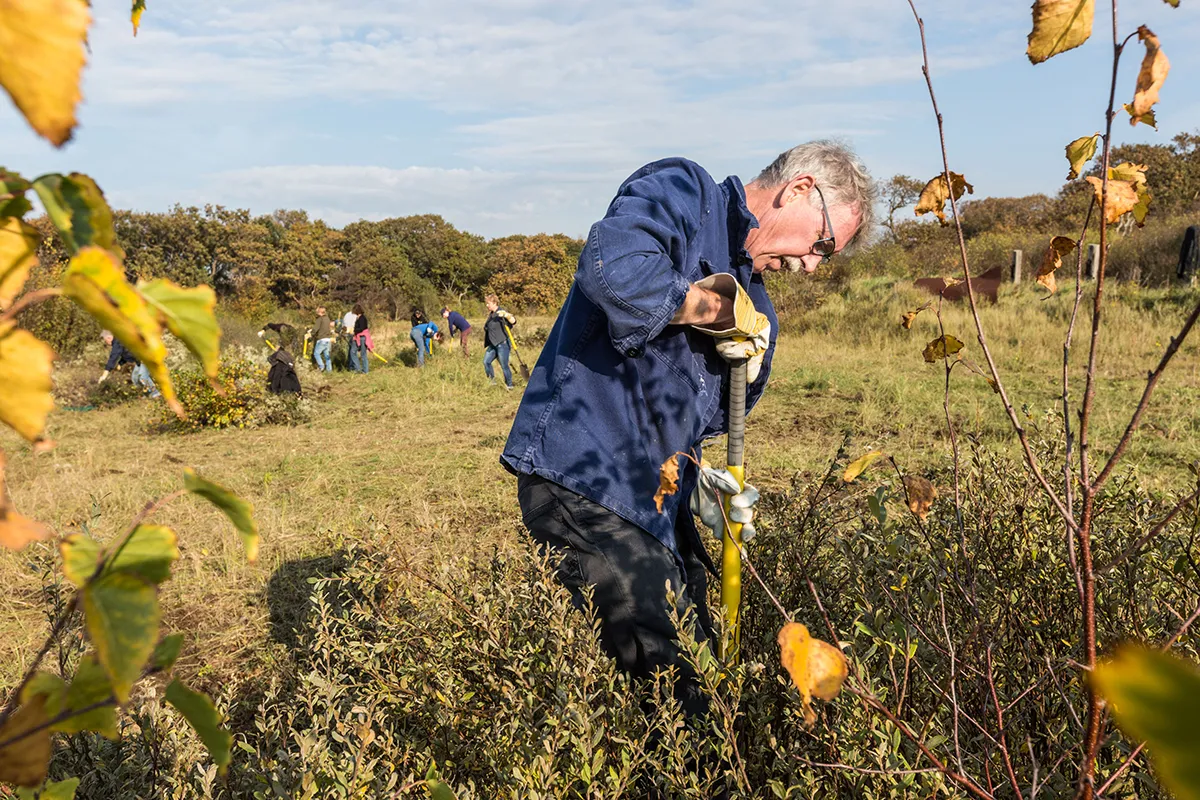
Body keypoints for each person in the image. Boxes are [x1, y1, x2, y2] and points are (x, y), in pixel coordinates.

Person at [500, 142, 875, 712]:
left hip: (659, 505)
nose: (812, 264)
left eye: (828, 257)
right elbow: (617, 270)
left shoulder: (764, 314)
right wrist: (715, 310)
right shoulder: (687, 194)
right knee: (678, 686)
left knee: (704, 663)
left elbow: (711, 420)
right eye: (822, 243)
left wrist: (703, 488)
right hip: (585, 476)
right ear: (799, 188)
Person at [99, 330, 161, 399]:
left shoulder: (118, 342)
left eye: (105, 340)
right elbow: (127, 354)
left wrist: (104, 376)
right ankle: (146, 394)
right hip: (139, 361)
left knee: (143, 377)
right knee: (135, 379)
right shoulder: (120, 340)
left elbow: (113, 358)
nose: (106, 343)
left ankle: (156, 394)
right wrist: (120, 363)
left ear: (109, 338)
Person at [482, 295, 516, 390]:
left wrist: (506, 315)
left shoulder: (501, 312)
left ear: (494, 303)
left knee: (504, 365)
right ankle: (492, 382)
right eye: (487, 303)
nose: (487, 305)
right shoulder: (491, 314)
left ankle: (509, 385)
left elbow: (513, 321)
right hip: (493, 344)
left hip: (502, 343)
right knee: (486, 362)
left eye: (488, 303)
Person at [312, 307, 334, 372]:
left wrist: (310, 333)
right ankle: (329, 370)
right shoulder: (327, 318)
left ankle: (321, 366)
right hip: (328, 339)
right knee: (327, 356)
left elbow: (315, 329)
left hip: (322, 339)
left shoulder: (320, 319)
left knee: (316, 353)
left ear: (320, 312)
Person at [351, 304, 371, 374]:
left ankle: (365, 371)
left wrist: (354, 331)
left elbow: (361, 328)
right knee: (353, 352)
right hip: (358, 337)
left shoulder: (362, 318)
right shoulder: (358, 318)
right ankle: (358, 368)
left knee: (363, 354)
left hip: (362, 338)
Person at [342, 307, 360, 371]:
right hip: (354, 334)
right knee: (353, 351)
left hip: (348, 334)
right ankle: (353, 366)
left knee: (351, 350)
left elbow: (343, 325)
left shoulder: (347, 315)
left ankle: (351, 366)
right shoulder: (357, 316)